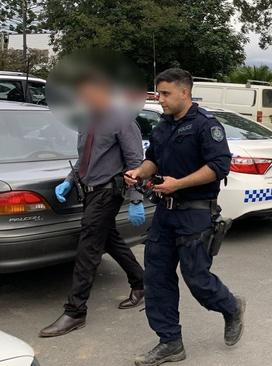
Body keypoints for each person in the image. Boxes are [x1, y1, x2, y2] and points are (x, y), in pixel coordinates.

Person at [124, 68, 245, 366]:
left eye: (165, 94)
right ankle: (170, 342)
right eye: (158, 93)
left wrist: (178, 183)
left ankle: (231, 307)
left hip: (195, 215)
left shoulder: (206, 126)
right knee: (156, 278)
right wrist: (140, 171)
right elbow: (153, 158)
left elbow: (219, 166)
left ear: (184, 93)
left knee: (197, 280)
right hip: (164, 215)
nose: (160, 99)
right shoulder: (164, 125)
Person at [39, 72, 146, 338]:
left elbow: (135, 162)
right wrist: (69, 180)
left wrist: (136, 199)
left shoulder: (122, 120)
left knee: (88, 248)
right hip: (88, 191)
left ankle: (75, 312)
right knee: (109, 238)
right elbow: (85, 160)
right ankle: (142, 283)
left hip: (108, 192)